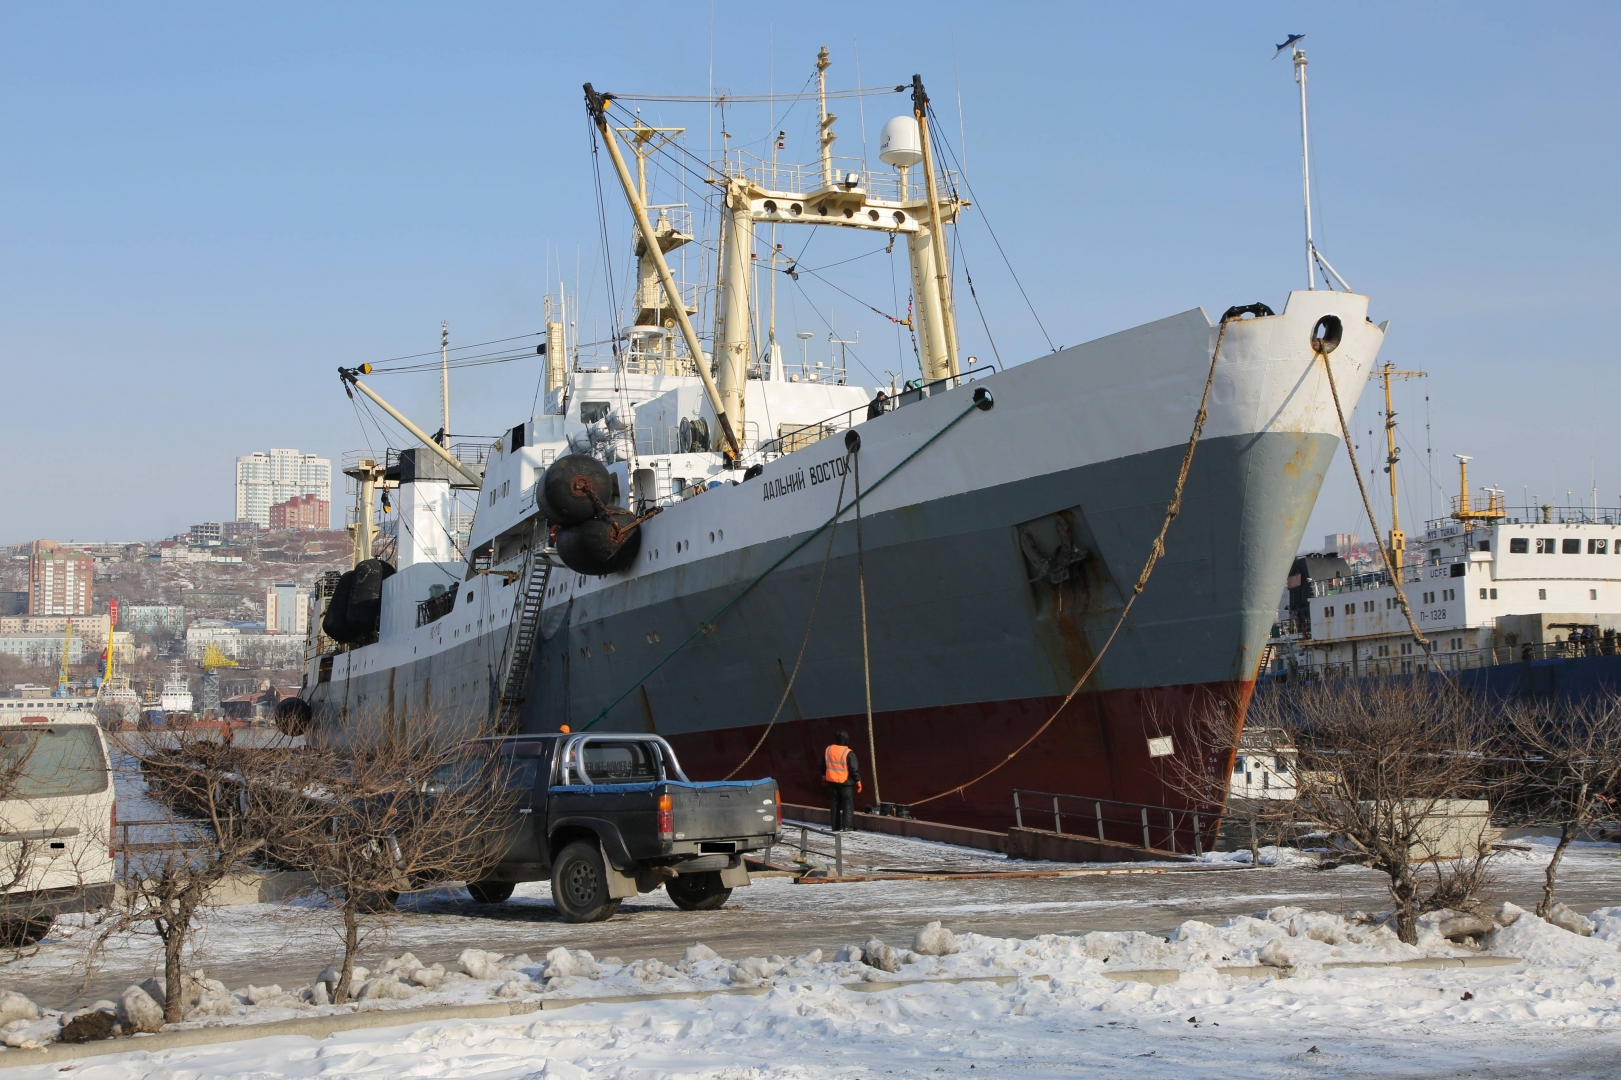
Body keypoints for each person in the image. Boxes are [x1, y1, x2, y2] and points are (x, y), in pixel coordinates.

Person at [824, 731, 861, 831]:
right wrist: (858, 781)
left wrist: (824, 776)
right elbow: (854, 769)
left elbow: (823, 765)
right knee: (847, 803)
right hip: (845, 783)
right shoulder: (848, 752)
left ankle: (835, 827)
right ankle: (847, 826)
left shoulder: (828, 750)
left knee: (834, 804)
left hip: (831, 782)